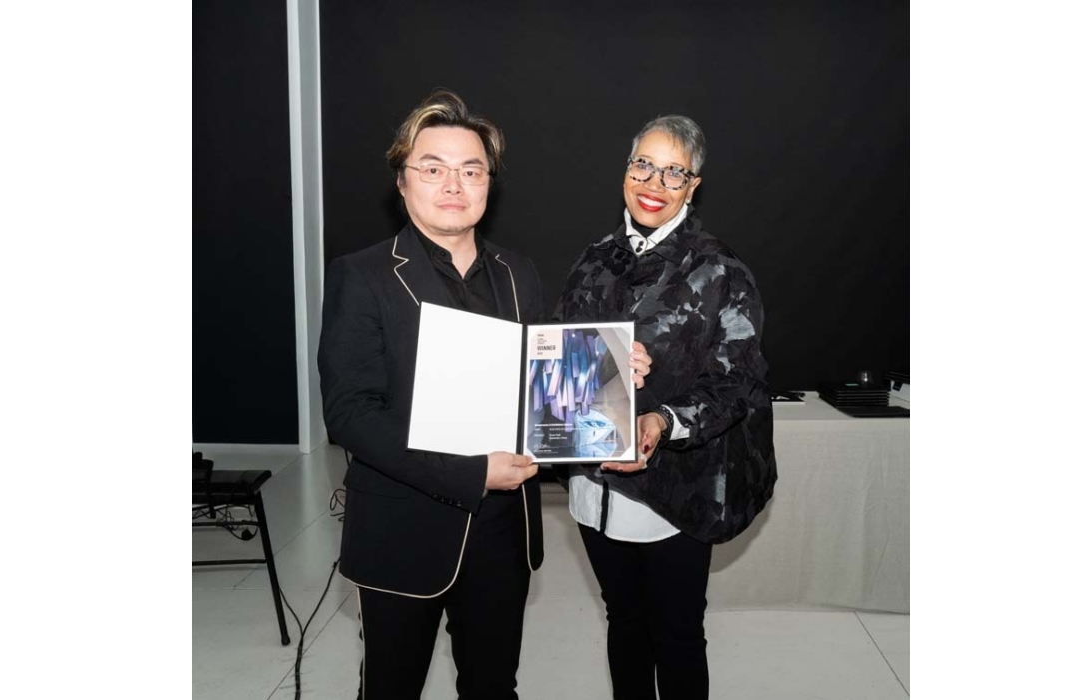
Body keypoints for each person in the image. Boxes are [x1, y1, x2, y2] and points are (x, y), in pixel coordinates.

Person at [317, 90, 547, 700]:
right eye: (434, 168)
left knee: (494, 687)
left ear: (488, 184)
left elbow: (540, 387)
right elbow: (350, 414)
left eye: (471, 170)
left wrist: (605, 374)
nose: (454, 184)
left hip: (504, 531)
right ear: (403, 181)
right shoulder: (362, 276)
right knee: (391, 689)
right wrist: (471, 472)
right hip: (403, 528)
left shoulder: (518, 273)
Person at [556, 115, 778, 700]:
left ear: (693, 186)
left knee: (676, 634)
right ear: (626, 171)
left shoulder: (720, 271)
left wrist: (664, 417)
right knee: (622, 622)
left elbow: (740, 383)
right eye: (643, 165)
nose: (654, 181)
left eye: (674, 171)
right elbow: (560, 356)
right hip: (593, 484)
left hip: (676, 491)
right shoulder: (594, 258)